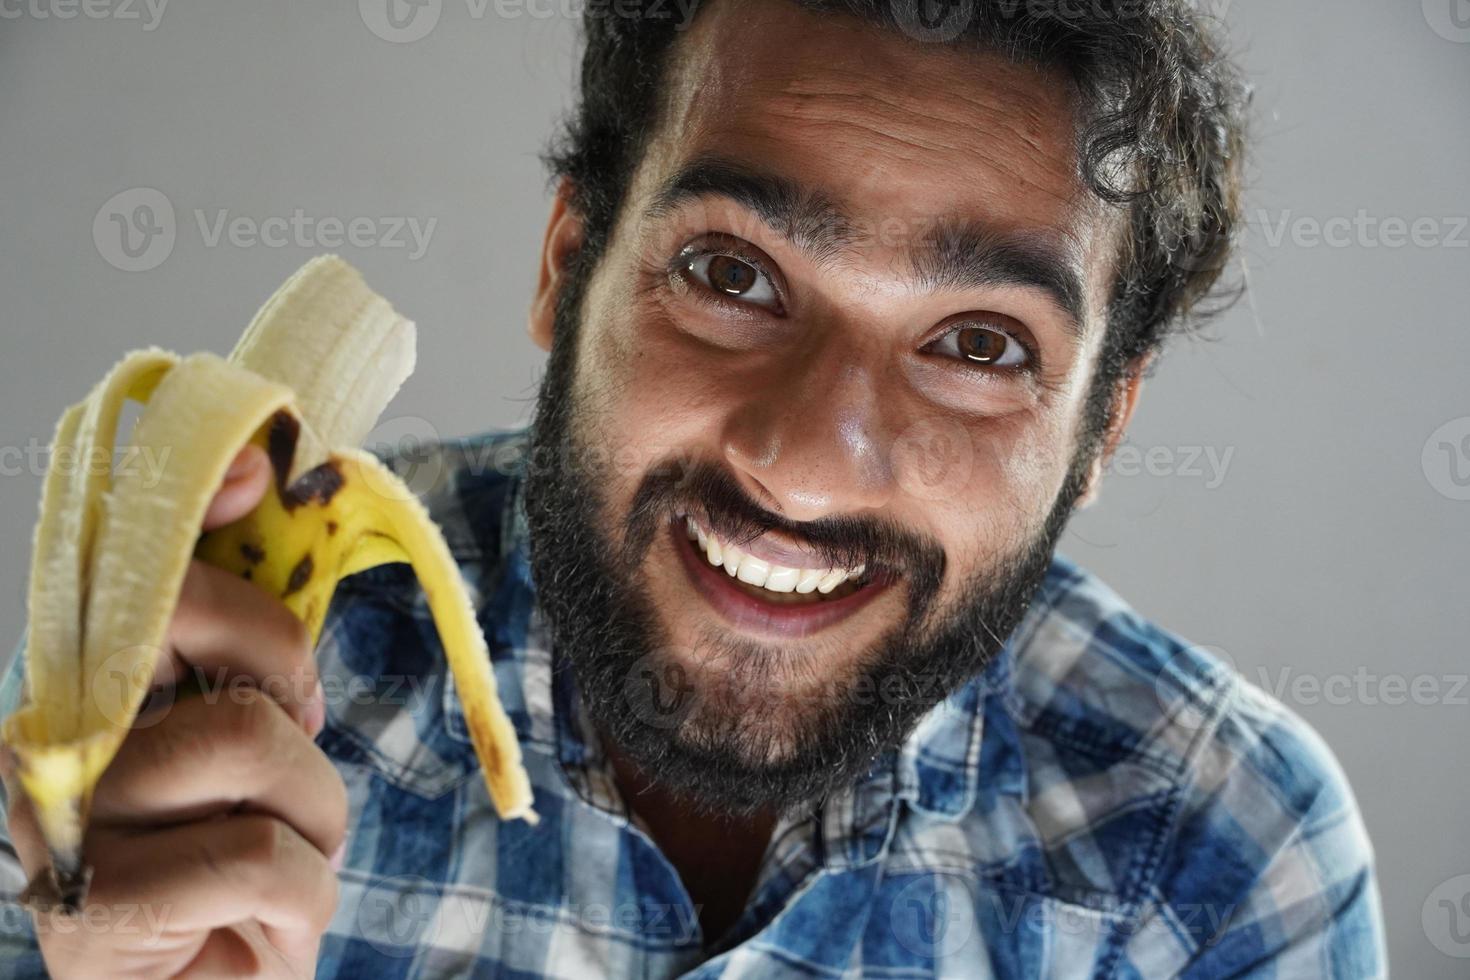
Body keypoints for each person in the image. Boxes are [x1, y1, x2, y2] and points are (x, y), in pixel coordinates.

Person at [0, 0, 1387, 975]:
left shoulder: (1220, 858)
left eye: (977, 345)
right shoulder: (179, 724)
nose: (802, 459)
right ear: (568, 261)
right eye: (733, 274)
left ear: (1100, 428)